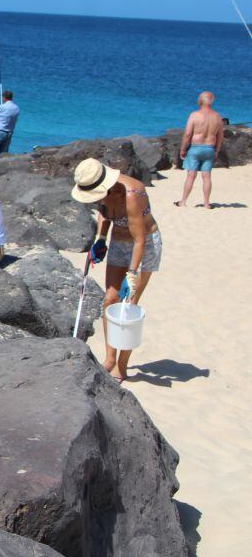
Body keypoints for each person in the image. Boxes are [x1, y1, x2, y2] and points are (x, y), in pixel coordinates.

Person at [71, 158, 162, 383]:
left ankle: (122, 366)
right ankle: (110, 359)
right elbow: (104, 211)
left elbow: (140, 241)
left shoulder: (132, 194)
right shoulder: (101, 190)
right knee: (110, 300)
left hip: (144, 245)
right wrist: (101, 239)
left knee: (128, 307)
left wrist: (131, 274)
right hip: (119, 244)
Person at [176, 91, 224, 209]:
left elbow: (187, 134)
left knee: (191, 175)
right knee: (206, 176)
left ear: (200, 101)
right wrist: (216, 150)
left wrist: (183, 149)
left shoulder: (194, 115)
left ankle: (183, 201)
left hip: (195, 148)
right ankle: (206, 203)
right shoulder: (217, 116)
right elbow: (220, 136)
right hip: (209, 148)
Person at [0, 90, 20, 157]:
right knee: (3, 154)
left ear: (4, 98)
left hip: (0, 132)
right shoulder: (17, 108)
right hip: (9, 133)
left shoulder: (2, 107)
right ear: (11, 97)